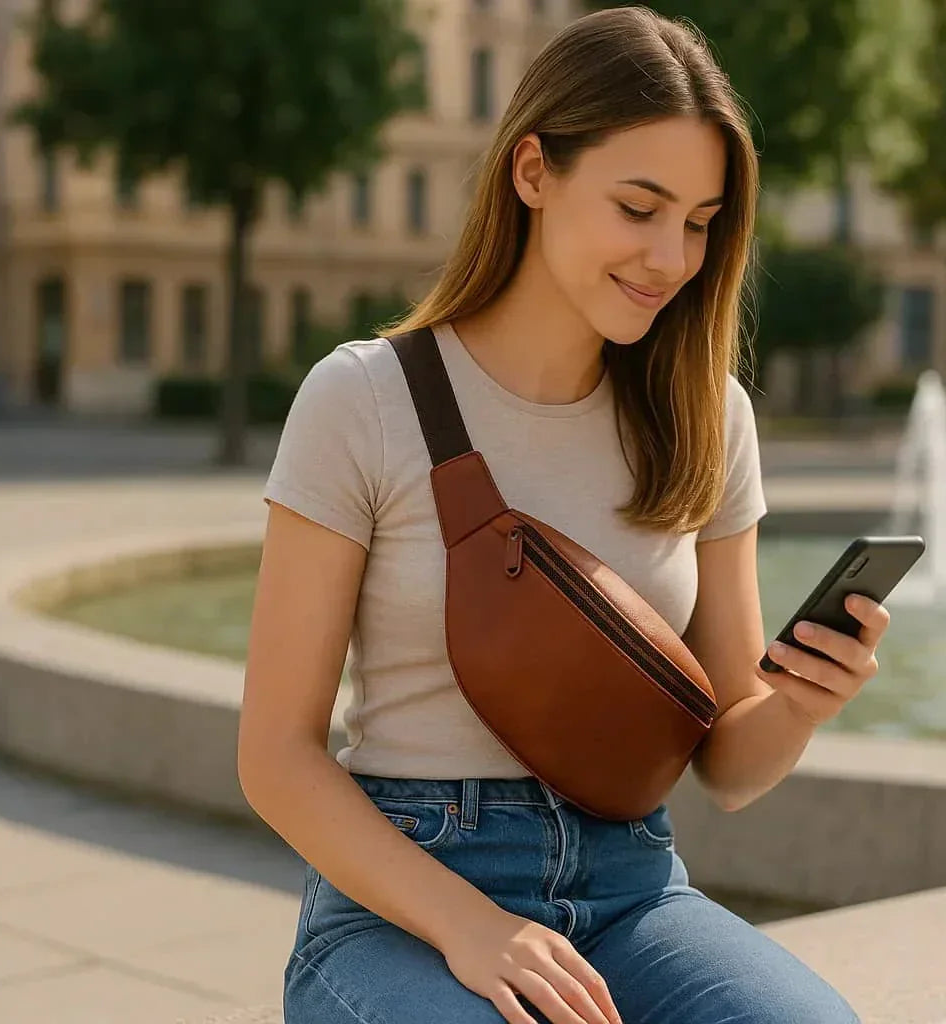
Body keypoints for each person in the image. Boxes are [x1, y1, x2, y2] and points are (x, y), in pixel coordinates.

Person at [238, 7, 890, 1022]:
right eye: (639, 207)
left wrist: (802, 698)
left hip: (631, 892)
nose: (672, 258)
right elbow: (275, 755)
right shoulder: (362, 398)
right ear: (533, 171)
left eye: (701, 221)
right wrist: (470, 924)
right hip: (400, 905)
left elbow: (726, 762)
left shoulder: (708, 413)